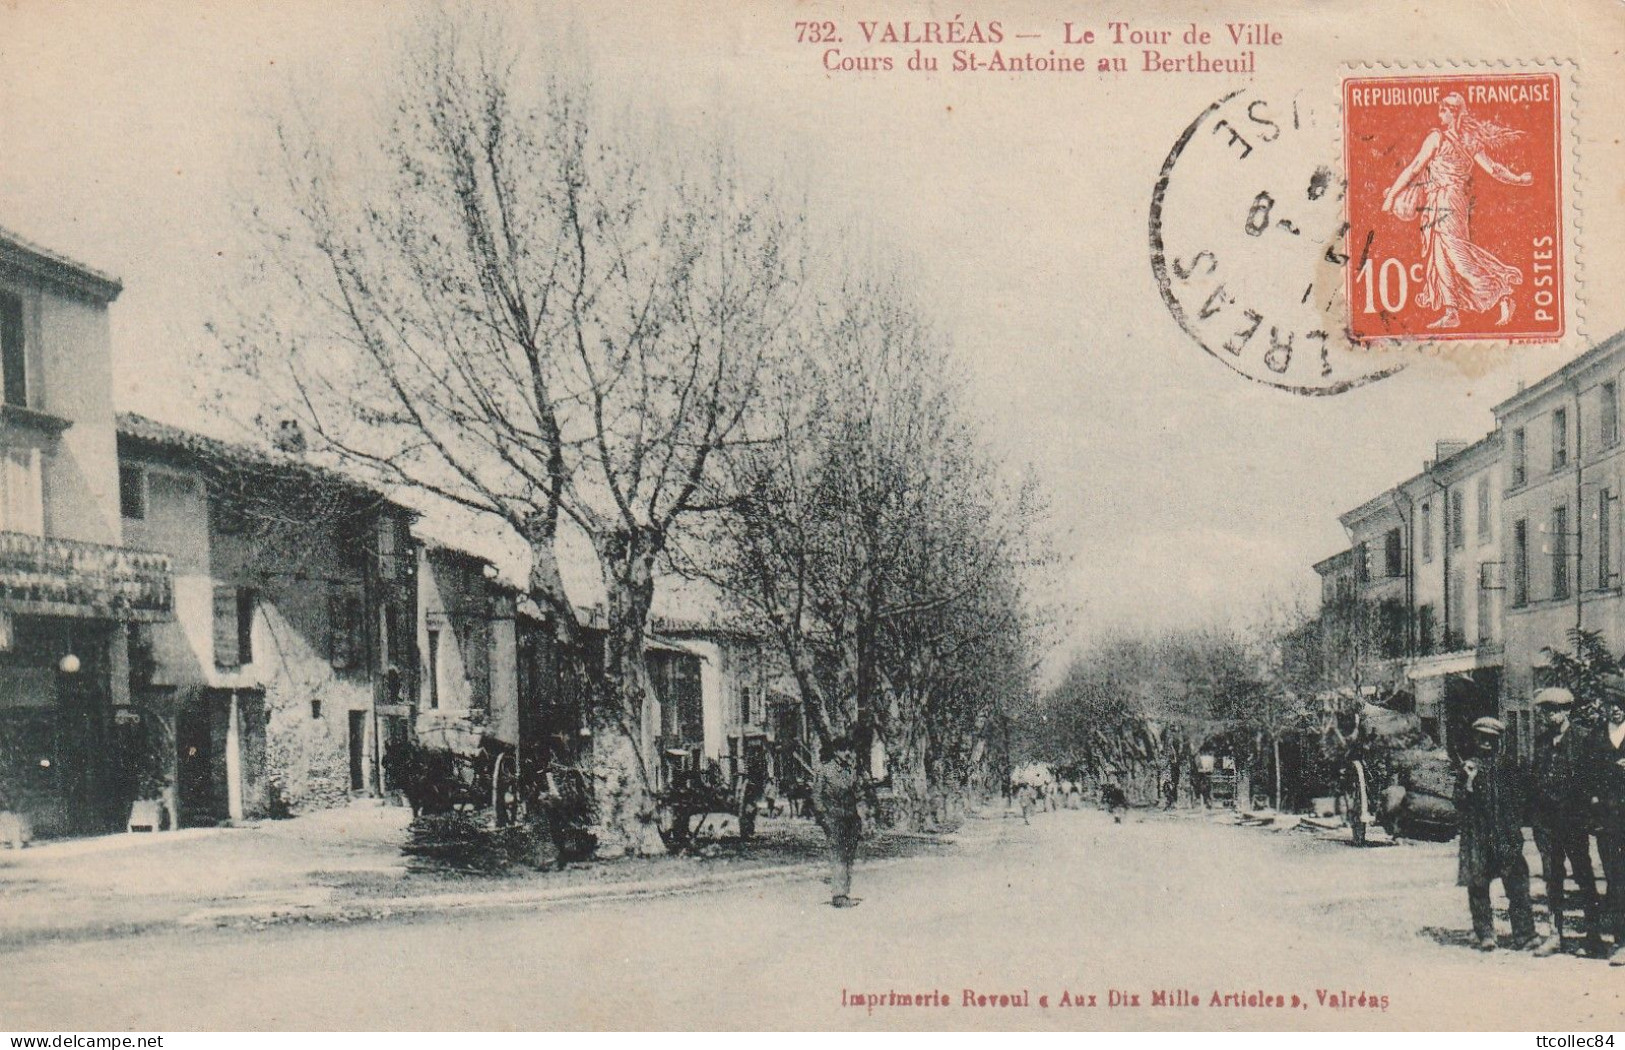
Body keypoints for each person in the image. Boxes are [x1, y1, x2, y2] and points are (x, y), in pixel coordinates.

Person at [1380, 92, 1534, 330]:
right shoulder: (1452, 138)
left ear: (1453, 113)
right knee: (1440, 256)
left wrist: (1391, 197)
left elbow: (1414, 169)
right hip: (1436, 201)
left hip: (1449, 200)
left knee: (1457, 255)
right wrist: (1518, 179)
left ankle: (1502, 292)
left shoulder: (1441, 138)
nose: (1439, 115)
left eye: (1443, 110)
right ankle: (1451, 311)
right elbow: (1494, 169)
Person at [1529, 688, 1604, 957]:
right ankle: (1554, 933)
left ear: (1568, 710)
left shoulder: (1584, 738)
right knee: (1552, 875)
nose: (1552, 715)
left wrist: (1588, 814)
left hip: (1573, 819)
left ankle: (1592, 934)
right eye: (1547, 710)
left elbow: (1593, 779)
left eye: (1557, 709)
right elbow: (1535, 777)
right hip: (1547, 822)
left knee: (1583, 874)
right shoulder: (1541, 742)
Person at [1455, 717, 1537, 952]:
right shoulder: (1468, 767)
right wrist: (1468, 782)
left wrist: (1514, 826)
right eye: (1482, 738)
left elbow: (1523, 799)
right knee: (1478, 885)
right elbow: (1458, 802)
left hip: (1505, 834)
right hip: (1477, 835)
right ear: (1475, 739)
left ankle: (1525, 935)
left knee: (1517, 884)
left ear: (1499, 740)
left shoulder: (1508, 767)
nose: (1487, 743)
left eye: (1492, 739)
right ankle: (1486, 935)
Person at [1591, 681, 1625, 963]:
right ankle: (1619, 940)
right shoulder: (1597, 737)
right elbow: (1587, 775)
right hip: (1606, 819)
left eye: (1620, 706)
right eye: (1611, 706)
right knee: (1613, 877)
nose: (1615, 710)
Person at [813, 735, 864, 908]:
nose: (847, 753)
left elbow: (858, 793)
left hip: (851, 818)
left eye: (849, 749)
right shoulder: (825, 770)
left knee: (849, 856)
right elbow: (817, 796)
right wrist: (824, 818)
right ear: (836, 751)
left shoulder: (851, 770)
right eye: (843, 749)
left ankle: (845, 893)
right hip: (834, 818)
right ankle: (839, 895)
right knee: (838, 856)